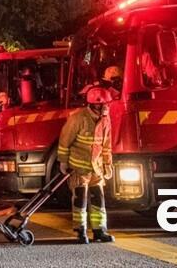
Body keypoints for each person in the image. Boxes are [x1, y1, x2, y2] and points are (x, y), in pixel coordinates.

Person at [57, 86, 115, 244]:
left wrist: (108, 164)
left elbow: (106, 145)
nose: (106, 107)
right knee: (80, 199)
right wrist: (63, 161)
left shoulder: (105, 120)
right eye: (104, 104)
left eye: (107, 104)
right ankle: (80, 230)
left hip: (96, 168)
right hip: (78, 168)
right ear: (94, 105)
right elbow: (65, 141)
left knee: (98, 198)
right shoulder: (78, 118)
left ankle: (99, 231)